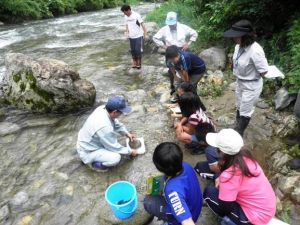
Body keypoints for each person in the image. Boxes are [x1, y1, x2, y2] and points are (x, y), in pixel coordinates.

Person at [203, 129, 276, 225]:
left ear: (221, 152)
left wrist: (222, 186)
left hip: (256, 219)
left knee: (209, 193)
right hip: (267, 208)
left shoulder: (229, 175)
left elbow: (225, 208)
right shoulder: (248, 158)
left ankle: (229, 222)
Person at [224, 20, 269, 137]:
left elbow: (264, 71)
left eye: (236, 36)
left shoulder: (256, 50)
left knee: (245, 111)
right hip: (240, 82)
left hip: (251, 85)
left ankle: (239, 133)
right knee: (239, 105)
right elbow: (236, 61)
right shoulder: (237, 47)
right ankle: (237, 125)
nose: (234, 39)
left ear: (246, 36)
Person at [144, 142, 202, 225]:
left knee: (148, 201)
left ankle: (170, 222)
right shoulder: (185, 165)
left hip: (189, 214)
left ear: (158, 167)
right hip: (194, 206)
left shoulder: (172, 191)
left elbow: (187, 221)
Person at [77, 96, 138, 172]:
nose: (122, 114)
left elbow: (115, 122)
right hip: (87, 152)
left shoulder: (102, 108)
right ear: (114, 112)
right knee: (116, 158)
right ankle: (96, 165)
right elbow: (114, 147)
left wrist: (126, 133)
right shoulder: (104, 126)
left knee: (111, 141)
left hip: (86, 142)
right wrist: (131, 152)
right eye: (121, 112)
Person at [153, 12, 198, 95]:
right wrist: (164, 46)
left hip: (182, 50)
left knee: (185, 69)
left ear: (176, 21)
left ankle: (187, 85)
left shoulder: (183, 27)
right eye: (169, 24)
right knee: (171, 69)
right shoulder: (164, 29)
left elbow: (194, 33)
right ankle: (172, 86)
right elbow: (155, 37)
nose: (171, 26)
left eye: (172, 24)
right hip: (170, 51)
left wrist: (188, 43)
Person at [121, 4, 147, 69]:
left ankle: (139, 62)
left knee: (137, 50)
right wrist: (127, 33)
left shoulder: (136, 15)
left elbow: (142, 25)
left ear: (129, 10)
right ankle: (134, 62)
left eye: (125, 12)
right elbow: (126, 25)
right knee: (132, 50)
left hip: (138, 35)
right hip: (131, 36)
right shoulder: (125, 16)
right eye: (124, 13)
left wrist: (145, 34)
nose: (125, 14)